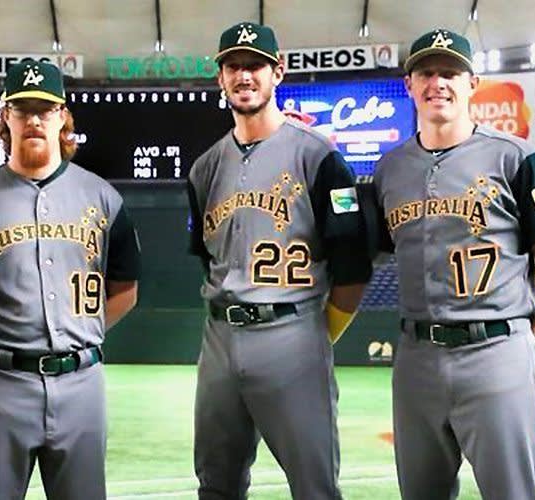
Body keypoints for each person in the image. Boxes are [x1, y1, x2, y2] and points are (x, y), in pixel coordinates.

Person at [367, 28, 535, 499]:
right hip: (417, 355)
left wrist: (526, 329)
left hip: (495, 350)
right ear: (409, 85)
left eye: (450, 73)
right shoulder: (389, 168)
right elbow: (375, 250)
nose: (438, 83)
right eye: (426, 73)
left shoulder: (517, 158)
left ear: (472, 84)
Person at [0, 59, 141, 500]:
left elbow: (125, 289)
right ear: (5, 116)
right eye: (23, 110)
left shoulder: (103, 197)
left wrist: (83, 332)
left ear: (62, 115)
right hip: (0, 384)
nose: (34, 120)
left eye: (45, 109)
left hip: (81, 381)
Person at [186, 22, 372, 499]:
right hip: (220, 338)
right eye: (233, 66)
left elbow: (351, 266)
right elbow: (208, 259)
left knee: (314, 486)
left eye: (254, 65)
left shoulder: (320, 158)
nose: (243, 75)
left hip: (293, 331)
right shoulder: (205, 168)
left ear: (277, 73)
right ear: (220, 78)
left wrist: (313, 333)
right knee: (216, 482)